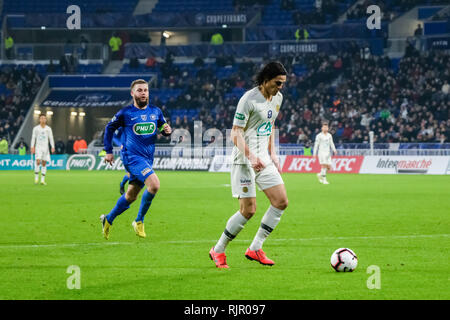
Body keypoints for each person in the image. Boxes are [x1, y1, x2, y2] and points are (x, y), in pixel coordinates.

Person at [209, 61, 289, 268]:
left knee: (281, 201)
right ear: (266, 80)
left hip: (264, 159)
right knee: (248, 210)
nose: (281, 87)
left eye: (282, 83)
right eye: (277, 83)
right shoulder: (249, 99)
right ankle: (218, 250)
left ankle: (255, 248)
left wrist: (273, 154)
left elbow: (270, 126)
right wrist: (252, 158)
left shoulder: (278, 98)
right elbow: (235, 132)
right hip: (245, 160)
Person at [100, 79, 172, 240]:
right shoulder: (125, 113)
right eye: (139, 90)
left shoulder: (156, 111)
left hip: (147, 159)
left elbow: (163, 128)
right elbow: (109, 128)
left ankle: (108, 219)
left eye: (145, 90)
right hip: (131, 157)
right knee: (154, 185)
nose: (143, 93)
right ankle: (139, 221)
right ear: (132, 93)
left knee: (131, 196)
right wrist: (109, 151)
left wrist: (167, 130)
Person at [31, 114, 55, 185]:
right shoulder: (36, 128)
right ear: (39, 119)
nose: (43, 119)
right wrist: (32, 146)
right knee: (38, 162)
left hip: (46, 148)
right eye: (41, 118)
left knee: (44, 163)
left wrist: (52, 146)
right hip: (38, 147)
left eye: (44, 118)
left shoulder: (48, 128)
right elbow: (33, 138)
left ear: (46, 120)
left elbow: (51, 138)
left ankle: (42, 180)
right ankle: (36, 178)